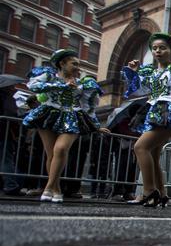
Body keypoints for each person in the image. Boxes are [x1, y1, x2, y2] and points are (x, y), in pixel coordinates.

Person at [14, 49, 109, 203]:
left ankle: (48, 187)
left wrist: (95, 125)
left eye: (78, 64)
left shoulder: (83, 84)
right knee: (51, 154)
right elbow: (34, 87)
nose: (78, 67)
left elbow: (88, 107)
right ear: (62, 63)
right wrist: (62, 86)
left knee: (61, 149)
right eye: (74, 64)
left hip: (71, 116)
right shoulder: (49, 76)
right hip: (48, 114)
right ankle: (56, 189)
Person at [119, 33, 171, 208]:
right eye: (154, 48)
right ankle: (161, 193)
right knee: (153, 154)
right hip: (155, 110)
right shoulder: (153, 73)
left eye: (162, 48)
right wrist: (133, 73)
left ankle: (149, 192)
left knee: (140, 147)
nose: (157, 51)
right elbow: (138, 90)